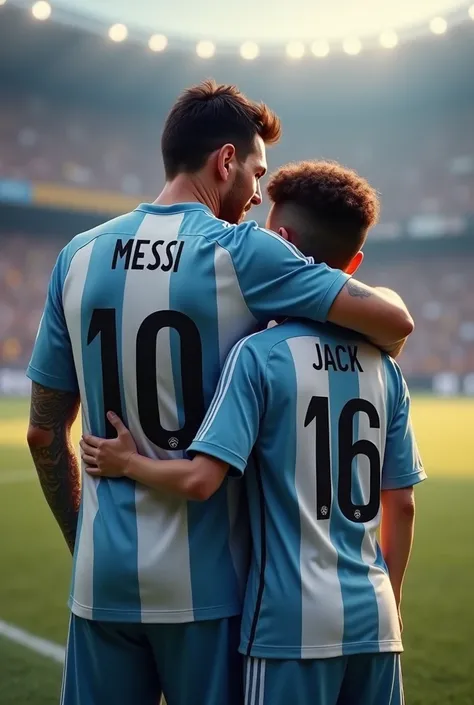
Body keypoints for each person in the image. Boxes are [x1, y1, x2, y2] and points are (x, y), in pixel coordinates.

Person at [26, 78, 413, 705]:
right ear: (224, 161)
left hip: (103, 581)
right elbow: (392, 324)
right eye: (256, 172)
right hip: (211, 589)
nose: (259, 194)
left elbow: (45, 433)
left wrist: (84, 541)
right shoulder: (244, 253)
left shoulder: (77, 257)